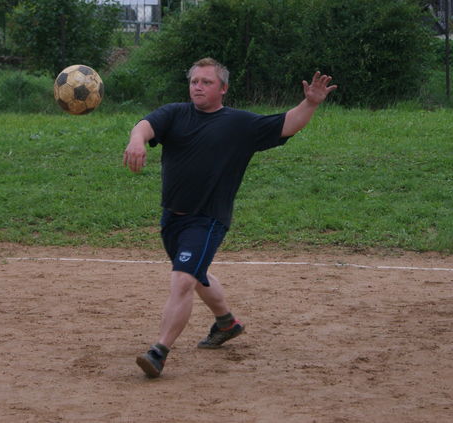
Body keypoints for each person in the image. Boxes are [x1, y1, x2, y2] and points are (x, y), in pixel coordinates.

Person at [123, 57, 336, 378]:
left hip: (207, 219)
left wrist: (310, 103)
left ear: (223, 88)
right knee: (196, 274)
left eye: (206, 82)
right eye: (194, 81)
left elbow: (287, 124)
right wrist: (136, 140)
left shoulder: (239, 124)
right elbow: (145, 125)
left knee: (183, 280)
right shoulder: (175, 113)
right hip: (172, 219)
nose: (198, 87)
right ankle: (227, 323)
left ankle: (159, 351)